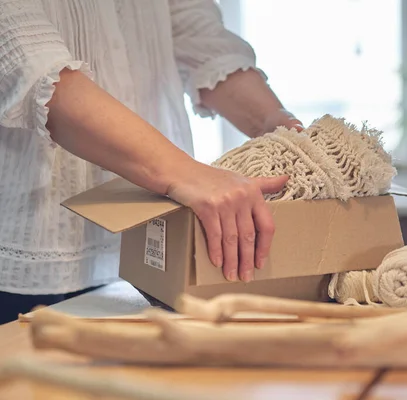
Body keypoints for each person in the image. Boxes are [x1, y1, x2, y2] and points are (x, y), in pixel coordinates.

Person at [0, 0, 303, 324]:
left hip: (147, 243)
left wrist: (273, 123)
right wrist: (185, 173)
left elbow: (198, 33)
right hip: (26, 249)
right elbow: (24, 59)